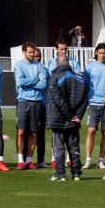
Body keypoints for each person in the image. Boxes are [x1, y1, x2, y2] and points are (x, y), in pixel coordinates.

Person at [47, 56, 88, 181]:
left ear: (57, 64)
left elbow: (58, 101)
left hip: (58, 118)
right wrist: (78, 116)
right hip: (74, 119)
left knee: (58, 147)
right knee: (74, 147)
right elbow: (85, 99)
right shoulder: (80, 79)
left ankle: (60, 174)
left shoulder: (54, 78)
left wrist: (69, 115)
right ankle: (76, 174)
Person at [14, 41, 48, 170]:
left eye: (33, 52)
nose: (32, 54)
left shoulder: (39, 66)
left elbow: (43, 84)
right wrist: (35, 80)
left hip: (37, 102)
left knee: (34, 133)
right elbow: (20, 82)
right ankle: (20, 160)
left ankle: (29, 160)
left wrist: (30, 82)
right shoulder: (19, 65)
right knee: (21, 132)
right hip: (23, 101)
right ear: (24, 52)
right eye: (30, 52)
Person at [47, 38, 80, 168]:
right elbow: (51, 80)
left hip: (70, 100)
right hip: (56, 100)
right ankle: (54, 157)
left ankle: (69, 158)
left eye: (65, 49)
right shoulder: (51, 63)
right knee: (55, 129)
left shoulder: (74, 62)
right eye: (61, 49)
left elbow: (77, 79)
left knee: (70, 131)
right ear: (56, 50)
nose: (64, 51)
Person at [82, 43, 105, 169]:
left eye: (104, 53)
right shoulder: (90, 67)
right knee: (91, 131)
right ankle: (88, 160)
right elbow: (84, 84)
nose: (102, 55)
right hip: (94, 103)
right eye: (100, 53)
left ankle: (100, 160)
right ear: (96, 53)